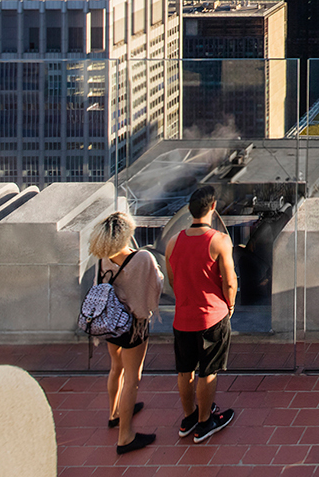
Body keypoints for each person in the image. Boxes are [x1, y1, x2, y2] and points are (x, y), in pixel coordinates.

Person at [165, 185, 237, 444]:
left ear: (190, 210)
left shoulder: (173, 243)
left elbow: (173, 281)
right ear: (213, 207)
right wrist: (230, 305)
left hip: (182, 317)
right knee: (208, 371)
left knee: (184, 370)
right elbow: (229, 282)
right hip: (211, 317)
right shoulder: (219, 240)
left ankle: (188, 418)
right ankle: (205, 422)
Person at [90, 210, 162, 455]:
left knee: (116, 368)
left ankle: (114, 413)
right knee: (133, 378)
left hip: (111, 321)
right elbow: (157, 284)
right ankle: (125, 436)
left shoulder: (104, 257)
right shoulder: (142, 258)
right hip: (133, 325)